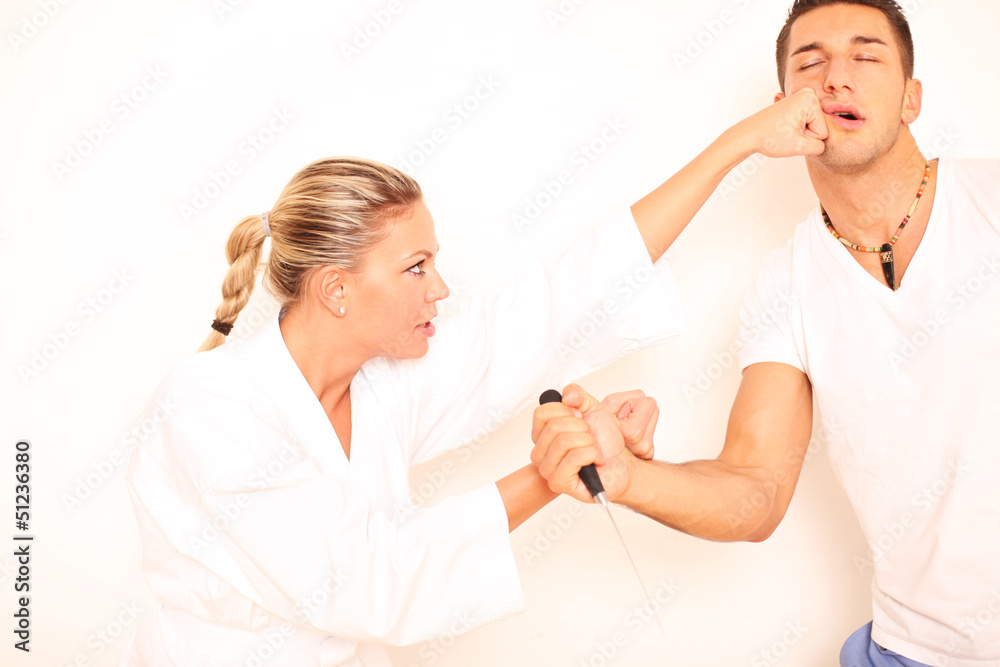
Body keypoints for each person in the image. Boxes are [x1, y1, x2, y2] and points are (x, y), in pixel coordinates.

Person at [121, 145, 812, 666]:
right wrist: (551, 470)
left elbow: (545, 311)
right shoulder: (206, 407)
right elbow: (368, 580)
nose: (441, 288)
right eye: (415, 267)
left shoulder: (377, 382)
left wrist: (735, 146)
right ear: (336, 289)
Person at [530, 2, 1000, 666]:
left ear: (911, 98)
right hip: (910, 651)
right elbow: (755, 488)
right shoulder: (785, 286)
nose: (836, 77)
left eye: (866, 56)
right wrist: (626, 474)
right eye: (811, 62)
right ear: (783, 112)